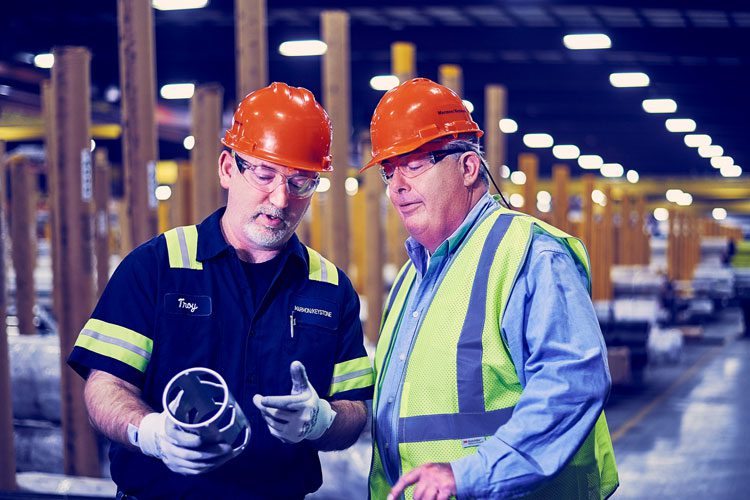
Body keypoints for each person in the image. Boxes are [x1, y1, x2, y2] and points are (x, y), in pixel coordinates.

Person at [67, 82, 374, 499]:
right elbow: (105, 385)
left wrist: (320, 419)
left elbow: (355, 410)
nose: (281, 199)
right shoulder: (158, 266)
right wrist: (152, 433)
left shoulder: (330, 288)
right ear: (228, 168)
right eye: (265, 174)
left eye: (302, 183)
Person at [360, 78, 619, 499]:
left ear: (468, 167)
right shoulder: (413, 276)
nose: (398, 185)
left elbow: (572, 385)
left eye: (415, 163)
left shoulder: (529, 254)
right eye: (390, 169)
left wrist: (469, 475)